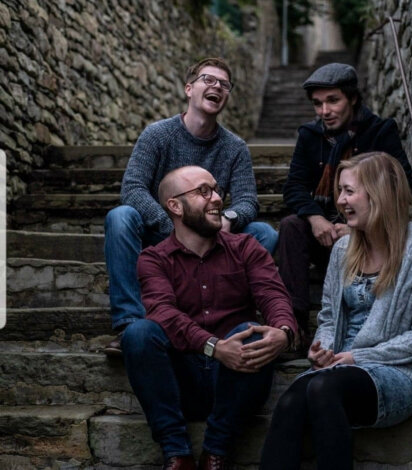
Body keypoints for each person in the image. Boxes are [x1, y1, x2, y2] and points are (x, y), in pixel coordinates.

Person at [259, 152, 412, 470]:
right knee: (291, 399)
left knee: (321, 388)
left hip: (403, 372)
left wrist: (356, 358)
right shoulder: (343, 250)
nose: (340, 201)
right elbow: (330, 316)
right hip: (341, 368)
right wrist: (323, 349)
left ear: (378, 194)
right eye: (341, 191)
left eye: (349, 191)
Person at [122, 165, 297, 470]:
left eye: (216, 190)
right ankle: (177, 454)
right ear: (175, 206)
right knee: (138, 333)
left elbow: (273, 295)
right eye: (203, 192)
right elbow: (164, 313)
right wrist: (214, 347)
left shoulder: (246, 247)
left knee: (253, 332)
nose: (217, 198)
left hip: (238, 378)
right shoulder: (153, 259)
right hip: (182, 378)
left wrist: (284, 331)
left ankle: (216, 452)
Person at [104, 57, 278, 356]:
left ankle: (235, 318)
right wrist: (171, 225)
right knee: (121, 217)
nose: (217, 87)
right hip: (163, 237)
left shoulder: (235, 147)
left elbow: (249, 201)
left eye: (224, 84)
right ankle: (130, 324)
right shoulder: (157, 135)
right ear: (189, 89)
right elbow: (132, 189)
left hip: (212, 238)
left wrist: (228, 219)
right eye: (208, 80)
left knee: (264, 233)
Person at [277, 62, 412, 342]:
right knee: (291, 226)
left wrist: (358, 228)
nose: (324, 112)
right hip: (325, 235)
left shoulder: (379, 131)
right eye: (317, 104)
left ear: (352, 98)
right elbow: (294, 187)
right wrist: (316, 219)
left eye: (332, 101)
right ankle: (296, 325)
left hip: (369, 237)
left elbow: (403, 185)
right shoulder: (309, 135)